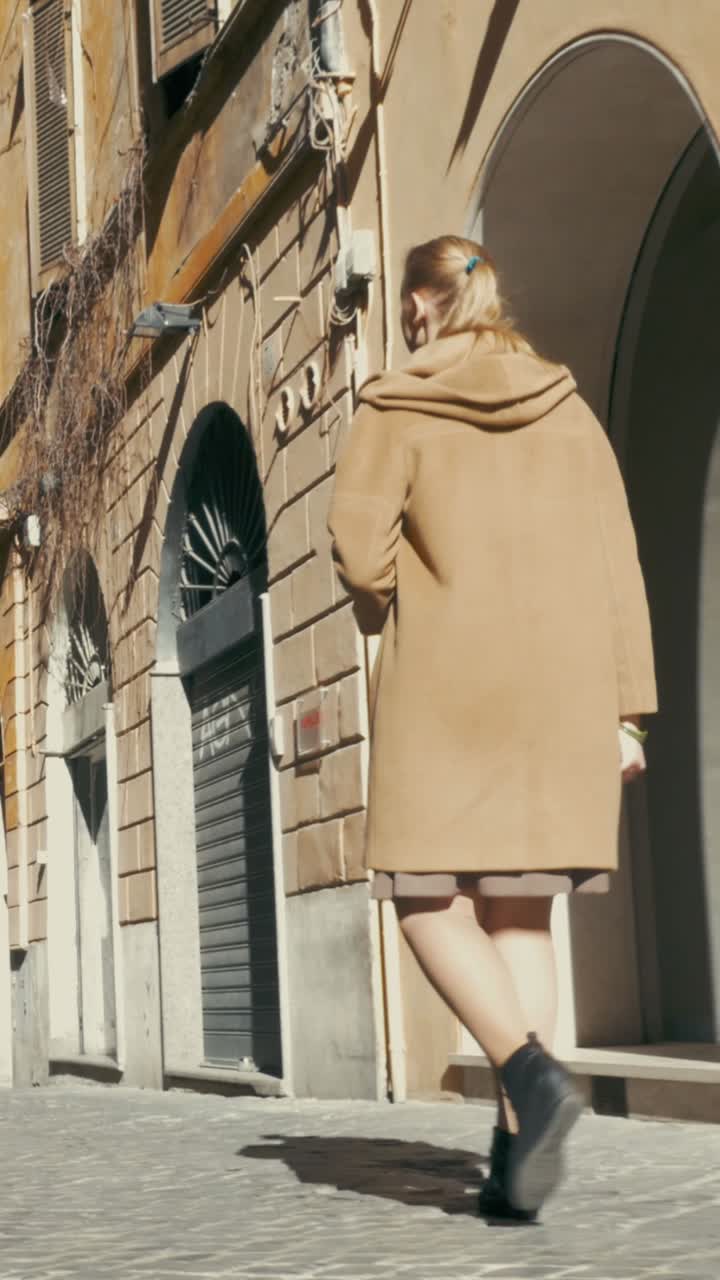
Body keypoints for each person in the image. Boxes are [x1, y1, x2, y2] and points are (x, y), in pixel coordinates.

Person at [327, 235, 657, 1220]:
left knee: (423, 892)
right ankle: (519, 1158)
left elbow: (358, 550)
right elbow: (618, 560)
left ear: (424, 307)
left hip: (449, 680)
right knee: (518, 904)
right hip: (561, 687)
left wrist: (387, 604)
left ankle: (529, 1071)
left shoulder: (396, 402)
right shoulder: (569, 407)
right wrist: (627, 710)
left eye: (407, 313)